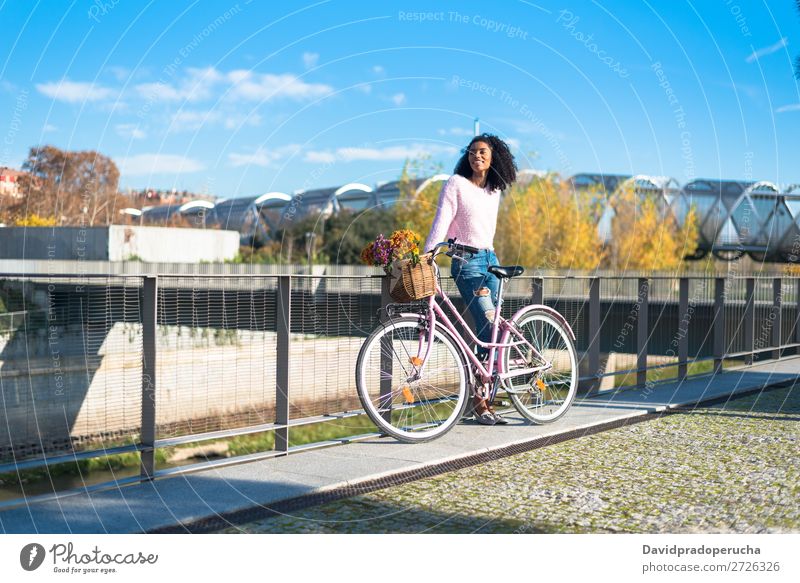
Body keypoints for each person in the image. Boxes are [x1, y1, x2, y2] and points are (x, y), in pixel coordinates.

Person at [424, 133, 518, 425]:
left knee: (490, 331)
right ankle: (480, 402)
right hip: (468, 264)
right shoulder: (456, 184)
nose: (477, 156)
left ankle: (487, 397)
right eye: (472, 152)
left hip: (492, 261)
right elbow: (443, 221)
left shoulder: (494, 189)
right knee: (487, 323)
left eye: (483, 152)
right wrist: (427, 255)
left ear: (494, 158)